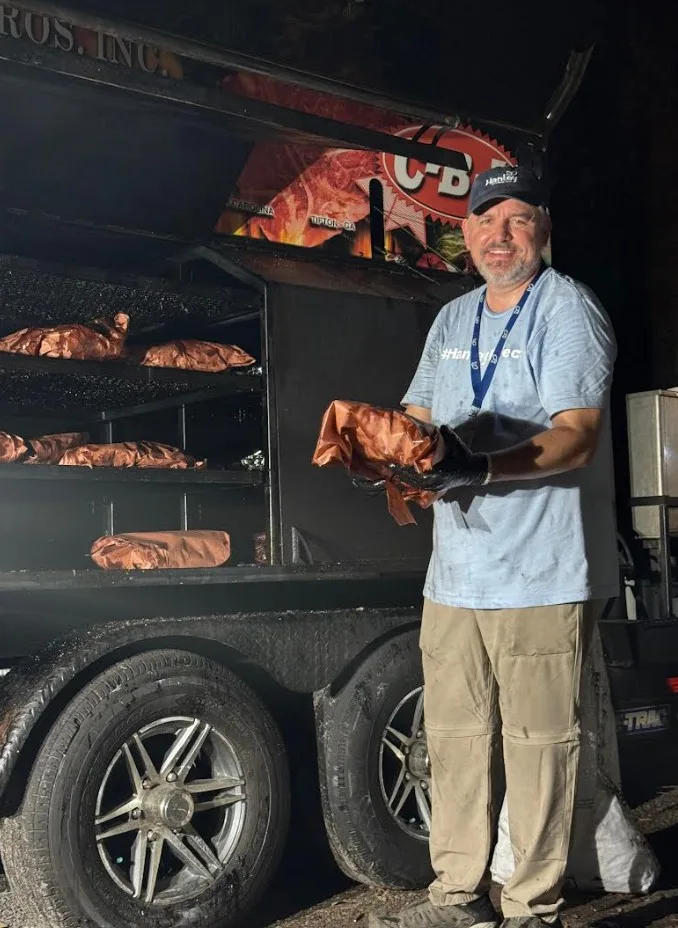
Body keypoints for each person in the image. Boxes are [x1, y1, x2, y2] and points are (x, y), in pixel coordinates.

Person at [367, 166, 619, 928]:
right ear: (465, 231)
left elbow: (575, 438)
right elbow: (417, 414)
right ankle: (454, 897)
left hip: (539, 575)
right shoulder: (451, 321)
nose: (498, 235)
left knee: (542, 746)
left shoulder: (567, 309)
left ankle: (532, 908)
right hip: (455, 576)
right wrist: (376, 450)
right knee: (452, 739)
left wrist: (476, 464)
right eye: (485, 220)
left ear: (542, 226)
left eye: (515, 218)